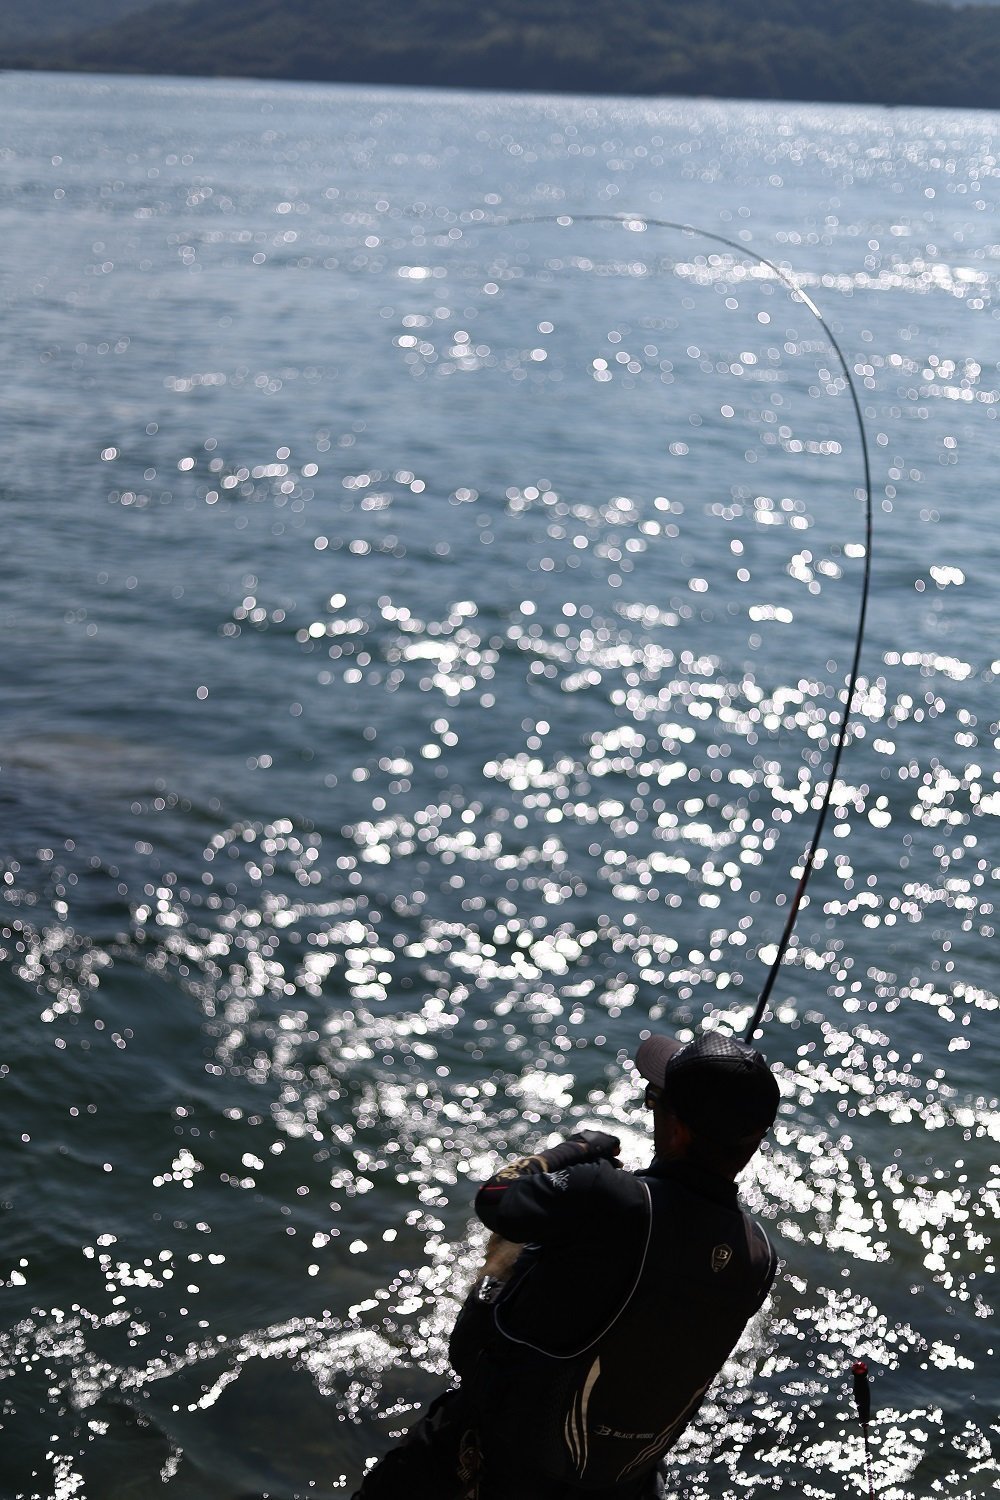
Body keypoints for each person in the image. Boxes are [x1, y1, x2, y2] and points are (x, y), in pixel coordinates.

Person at [353, 1030, 780, 1499]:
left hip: (494, 1455)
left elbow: (495, 1199)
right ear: (754, 1140)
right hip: (615, 1487)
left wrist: (575, 1150)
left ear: (678, 1129)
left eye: (654, 1100)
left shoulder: (610, 1197)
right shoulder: (758, 1256)